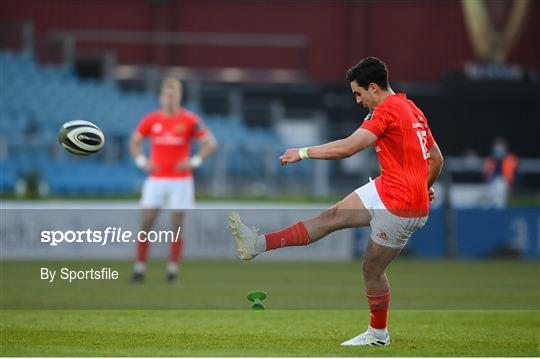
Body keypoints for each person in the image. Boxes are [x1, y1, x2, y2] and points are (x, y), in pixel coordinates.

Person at [229, 57, 444, 346]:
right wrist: (423, 185)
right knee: (330, 218)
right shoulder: (411, 108)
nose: (357, 101)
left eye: (358, 93)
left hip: (400, 206)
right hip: (389, 187)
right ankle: (258, 244)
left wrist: (303, 153)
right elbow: (437, 159)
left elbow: (349, 147)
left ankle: (378, 335)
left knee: (371, 269)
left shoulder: (386, 110)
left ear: (373, 88)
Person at [130, 78, 217, 283]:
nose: (170, 99)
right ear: (161, 97)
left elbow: (209, 143)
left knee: (177, 226)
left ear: (179, 97)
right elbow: (134, 142)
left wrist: (194, 161)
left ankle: (172, 270)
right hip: (156, 179)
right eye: (166, 95)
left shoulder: (189, 120)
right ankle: (139, 268)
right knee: (146, 223)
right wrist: (142, 161)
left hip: (181, 180)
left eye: (174, 95)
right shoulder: (151, 120)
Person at [483, 138, 518, 208]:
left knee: (500, 184)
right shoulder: (489, 159)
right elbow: (486, 175)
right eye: (497, 147)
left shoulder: (511, 159)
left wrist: (513, 187)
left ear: (505, 148)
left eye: (500, 147)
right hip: (491, 184)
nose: (498, 149)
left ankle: (500, 209)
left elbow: (515, 175)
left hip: (507, 185)